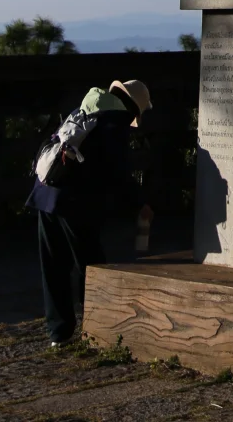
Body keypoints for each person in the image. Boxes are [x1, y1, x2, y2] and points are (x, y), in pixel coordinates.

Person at [27, 77, 154, 347]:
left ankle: (58, 334)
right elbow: (118, 171)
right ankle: (98, 328)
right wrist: (139, 204)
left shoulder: (85, 107)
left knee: (54, 266)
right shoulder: (114, 120)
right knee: (92, 266)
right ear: (133, 108)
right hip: (74, 201)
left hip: (46, 192)